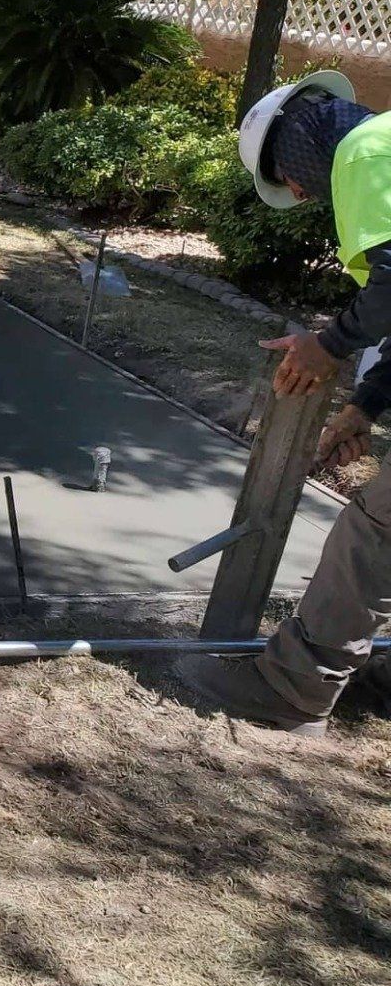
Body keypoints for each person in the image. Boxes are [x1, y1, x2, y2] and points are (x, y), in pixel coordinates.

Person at [177, 70, 391, 735]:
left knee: (377, 531)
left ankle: (292, 689)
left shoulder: (364, 152)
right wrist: (365, 408)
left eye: (288, 179)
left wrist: (328, 344)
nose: (298, 194)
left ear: (297, 147)